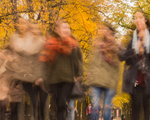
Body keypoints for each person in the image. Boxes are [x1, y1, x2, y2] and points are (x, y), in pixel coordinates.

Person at [38, 19, 83, 120]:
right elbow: (44, 62)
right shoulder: (50, 44)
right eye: (64, 27)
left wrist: (79, 73)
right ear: (57, 30)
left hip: (68, 79)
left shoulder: (73, 44)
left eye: (68, 28)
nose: (66, 30)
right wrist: (41, 77)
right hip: (53, 79)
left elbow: (78, 60)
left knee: (62, 103)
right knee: (58, 105)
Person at [118, 11, 150, 120]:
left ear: (145, 20)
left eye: (140, 17)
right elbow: (126, 60)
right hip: (135, 79)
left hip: (148, 79)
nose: (137, 20)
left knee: (147, 106)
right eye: (135, 18)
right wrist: (134, 51)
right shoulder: (133, 41)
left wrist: (145, 50)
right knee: (136, 106)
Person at [86, 23, 119, 120]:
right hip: (97, 81)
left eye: (107, 30)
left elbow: (117, 68)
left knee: (106, 108)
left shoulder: (115, 47)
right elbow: (93, 63)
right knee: (95, 107)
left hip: (110, 83)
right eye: (104, 30)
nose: (104, 32)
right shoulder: (98, 46)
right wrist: (90, 73)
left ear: (112, 33)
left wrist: (115, 84)